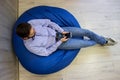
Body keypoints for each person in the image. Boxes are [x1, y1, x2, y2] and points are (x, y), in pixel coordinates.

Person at [16, 19, 116, 56]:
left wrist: (61, 31)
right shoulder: (31, 46)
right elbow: (46, 53)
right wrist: (59, 42)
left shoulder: (31, 23)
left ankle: (103, 40)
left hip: (60, 30)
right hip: (60, 43)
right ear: (25, 38)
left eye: (33, 28)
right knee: (87, 43)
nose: (35, 30)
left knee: (86, 32)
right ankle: (101, 40)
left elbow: (48, 22)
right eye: (32, 33)